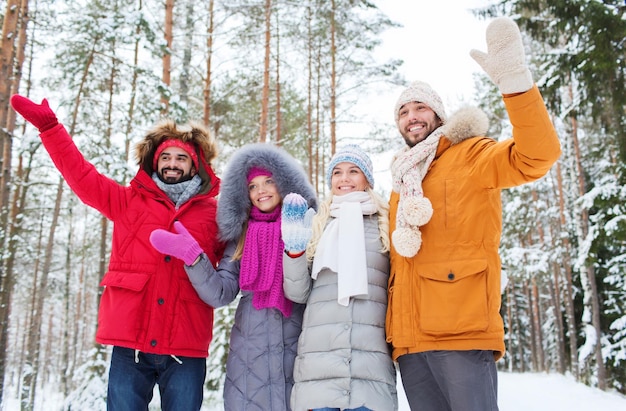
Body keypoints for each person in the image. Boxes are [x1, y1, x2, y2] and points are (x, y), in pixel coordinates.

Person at [384, 17, 562, 411]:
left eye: (420, 107)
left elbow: (538, 155)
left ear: (438, 114)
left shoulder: (472, 154)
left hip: (460, 332)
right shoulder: (401, 179)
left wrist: (515, 83)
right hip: (410, 342)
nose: (412, 116)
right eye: (403, 111)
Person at [10, 95, 224, 411]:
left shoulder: (214, 214)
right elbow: (82, 177)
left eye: (181, 158)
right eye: (166, 157)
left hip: (186, 344)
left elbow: (242, 251)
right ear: (154, 161)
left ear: (196, 165)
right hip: (131, 343)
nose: (172, 163)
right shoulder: (127, 202)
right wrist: (51, 128)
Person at [150, 143, 318, 411]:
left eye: (268, 181)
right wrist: (194, 258)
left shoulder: (309, 227)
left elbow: (311, 289)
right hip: (249, 356)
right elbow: (220, 292)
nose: (261, 190)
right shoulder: (241, 236)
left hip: (297, 341)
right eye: (252, 186)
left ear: (284, 183)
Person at [281, 145, 398, 411]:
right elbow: (298, 293)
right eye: (337, 172)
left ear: (367, 178)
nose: (344, 179)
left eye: (353, 171)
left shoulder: (386, 224)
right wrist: (294, 248)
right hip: (319, 367)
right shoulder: (318, 224)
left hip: (370, 368)